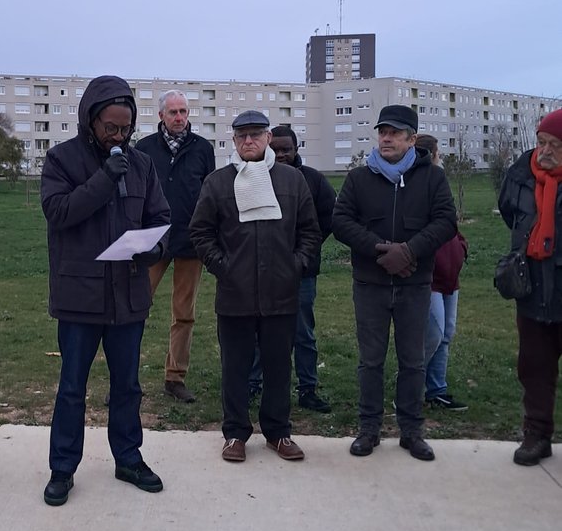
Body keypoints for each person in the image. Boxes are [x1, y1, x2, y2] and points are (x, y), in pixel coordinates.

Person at [40, 75, 171, 506]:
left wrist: (155, 249)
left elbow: (159, 217)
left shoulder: (143, 164)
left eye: (126, 128)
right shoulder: (61, 160)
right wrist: (102, 180)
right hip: (80, 298)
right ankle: (63, 467)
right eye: (111, 128)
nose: (119, 136)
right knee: (72, 387)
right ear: (90, 121)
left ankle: (128, 458)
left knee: (127, 386)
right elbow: (59, 213)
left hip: (128, 294)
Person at [189, 111, 320, 463]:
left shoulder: (292, 180)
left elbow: (310, 230)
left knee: (279, 365)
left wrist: (295, 266)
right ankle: (235, 433)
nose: (249, 141)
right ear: (233, 141)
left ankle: (278, 431)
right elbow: (200, 231)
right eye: (242, 136)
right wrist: (223, 267)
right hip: (235, 293)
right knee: (235, 366)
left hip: (282, 292)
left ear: (267, 138)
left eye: (256, 135)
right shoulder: (218, 183)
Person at [332, 105, 457, 461]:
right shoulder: (359, 178)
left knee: (412, 361)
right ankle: (368, 428)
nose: (386, 138)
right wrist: (380, 250)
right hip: (370, 285)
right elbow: (341, 221)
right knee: (370, 361)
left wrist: (409, 252)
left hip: (414, 286)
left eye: (395, 132)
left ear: (411, 139)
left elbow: (446, 220)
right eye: (382, 131)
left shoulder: (432, 178)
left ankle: (411, 430)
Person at [133, 90, 215, 403]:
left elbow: (210, 193)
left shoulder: (202, 149)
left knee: (184, 314)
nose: (179, 117)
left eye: (183, 111)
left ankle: (175, 376)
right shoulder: (144, 148)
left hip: (191, 241)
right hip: (152, 241)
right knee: (135, 310)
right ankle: (127, 380)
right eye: (173, 112)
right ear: (161, 116)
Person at [251, 125, 337, 413]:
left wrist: (302, 252)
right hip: (261, 270)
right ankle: (253, 383)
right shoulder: (254, 176)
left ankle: (307, 387)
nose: (281, 154)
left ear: (297, 149)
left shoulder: (312, 180)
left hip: (301, 271)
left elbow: (328, 218)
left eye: (287, 149)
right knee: (258, 330)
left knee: (303, 332)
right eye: (276, 149)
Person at [498, 109, 562, 466]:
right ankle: (537, 435)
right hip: (533, 289)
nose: (545, 151)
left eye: (555, 145)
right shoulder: (521, 176)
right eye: (541, 143)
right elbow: (510, 213)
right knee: (534, 367)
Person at [415, 134, 468, 412]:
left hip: (451, 273)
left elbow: (450, 223)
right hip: (430, 275)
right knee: (433, 333)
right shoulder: (417, 184)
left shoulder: (442, 182)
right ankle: (411, 382)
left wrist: (461, 245)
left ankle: (436, 389)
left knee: (446, 332)